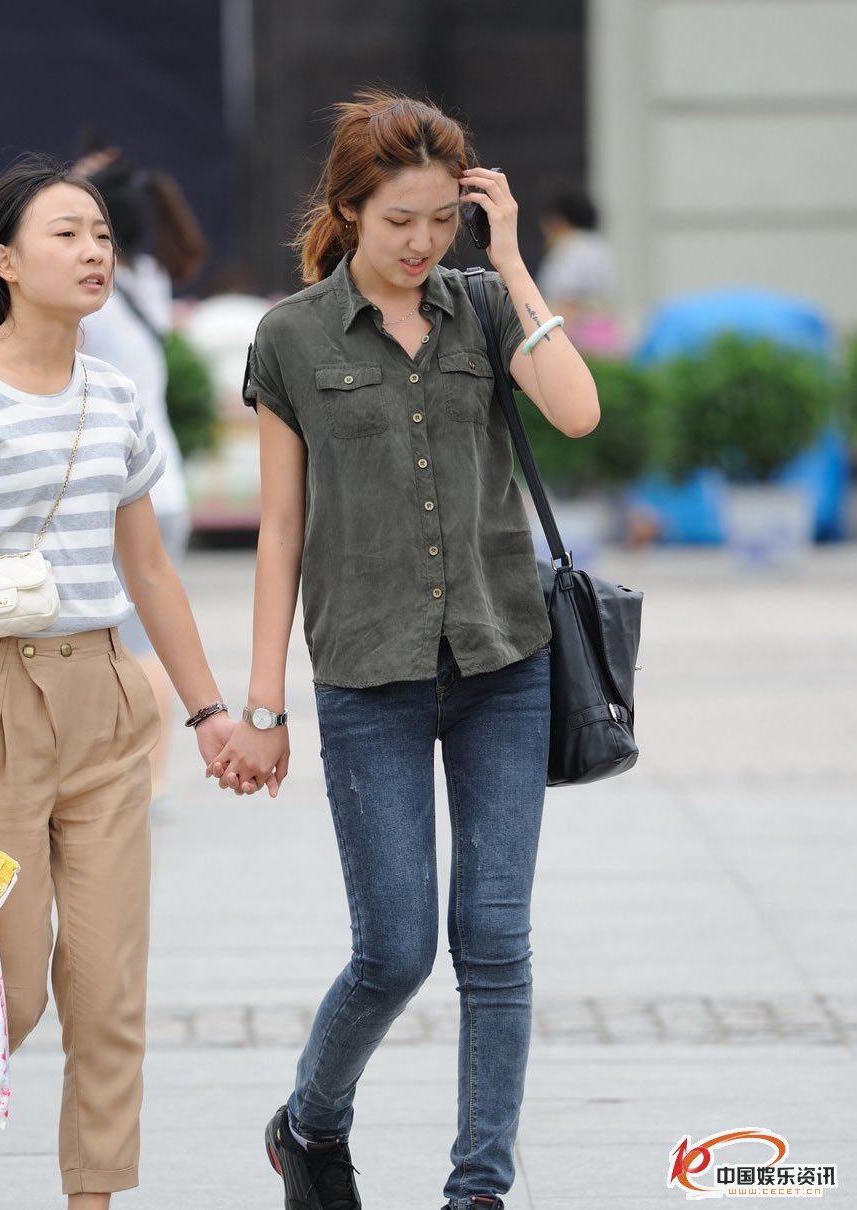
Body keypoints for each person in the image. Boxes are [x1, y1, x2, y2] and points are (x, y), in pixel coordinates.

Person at [210, 91, 600, 1210]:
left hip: (504, 662)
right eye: (399, 221)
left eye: (442, 218)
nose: (423, 241)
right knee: (393, 949)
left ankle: (479, 1188)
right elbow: (280, 528)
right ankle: (309, 1122)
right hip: (367, 676)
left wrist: (511, 258)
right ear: (348, 210)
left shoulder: (483, 306)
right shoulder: (291, 336)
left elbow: (578, 413)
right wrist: (263, 708)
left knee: (496, 943)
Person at [0, 156, 233, 1208]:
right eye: (66, 234)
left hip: (107, 698)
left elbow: (149, 569)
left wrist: (207, 711)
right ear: (4, 261)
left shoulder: (114, 394)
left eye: (103, 236)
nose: (94, 252)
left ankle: (95, 1197)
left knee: (108, 989)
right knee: (7, 994)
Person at [76, 149, 208, 799]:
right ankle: (150, 774)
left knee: (130, 643)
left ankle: (145, 778)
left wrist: (74, 185)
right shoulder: (149, 281)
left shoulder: (95, 302)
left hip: (127, 487)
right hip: (167, 481)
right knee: (143, 636)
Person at [536, 189, 623, 356]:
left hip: (576, 338)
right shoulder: (598, 246)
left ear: (558, 220)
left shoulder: (569, 249)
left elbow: (567, 301)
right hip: (605, 335)